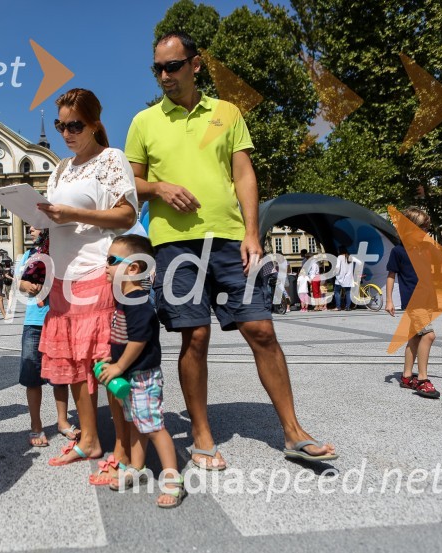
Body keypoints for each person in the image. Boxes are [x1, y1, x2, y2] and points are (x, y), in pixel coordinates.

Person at [126, 31, 337, 467]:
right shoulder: (144, 121)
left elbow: (244, 175)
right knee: (195, 335)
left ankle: (293, 432)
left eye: (172, 66)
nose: (164, 75)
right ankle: (202, 434)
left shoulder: (227, 113)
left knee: (261, 329)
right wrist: (160, 187)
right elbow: (130, 182)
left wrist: (253, 231)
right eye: (157, 69)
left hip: (228, 238)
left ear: (195, 65)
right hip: (173, 244)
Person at [35, 88, 138, 468]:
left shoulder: (111, 159)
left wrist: (73, 215)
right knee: (76, 364)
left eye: (74, 125)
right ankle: (91, 440)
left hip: (97, 268)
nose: (66, 132)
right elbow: (52, 222)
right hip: (63, 276)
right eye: (62, 125)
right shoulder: (61, 168)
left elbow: (126, 215)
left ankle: (125, 448)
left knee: (102, 361)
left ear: (95, 123)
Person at [97, 235, 183, 508]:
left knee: (154, 427)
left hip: (143, 376)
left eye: (112, 261)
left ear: (133, 268)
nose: (106, 266)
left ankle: (172, 478)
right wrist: (110, 357)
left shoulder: (138, 301)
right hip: (130, 376)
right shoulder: (125, 299)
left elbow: (139, 340)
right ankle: (136, 467)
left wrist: (120, 366)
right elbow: (123, 338)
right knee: (135, 423)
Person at [17, 226, 79, 447]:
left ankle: (62, 421)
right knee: (32, 375)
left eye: (36, 226)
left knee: (60, 375)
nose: (31, 229)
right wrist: (28, 284)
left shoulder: (63, 253)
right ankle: (36, 425)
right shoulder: (29, 256)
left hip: (59, 319)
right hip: (34, 322)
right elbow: (21, 285)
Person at [385, 207, 442, 399]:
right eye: (421, 227)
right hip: (413, 301)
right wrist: (389, 300)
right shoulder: (398, 251)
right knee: (429, 335)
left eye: (426, 227)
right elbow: (391, 276)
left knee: (414, 338)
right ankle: (423, 379)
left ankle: (407, 376)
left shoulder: (426, 249)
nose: (425, 231)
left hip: (426, 299)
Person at [334, 246, 355, 311]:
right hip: (348, 279)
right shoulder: (350, 257)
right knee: (348, 292)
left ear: (340, 251)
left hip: (340, 278)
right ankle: (348, 307)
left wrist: (334, 273)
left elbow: (338, 268)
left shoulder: (340, 257)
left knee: (337, 291)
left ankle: (338, 307)